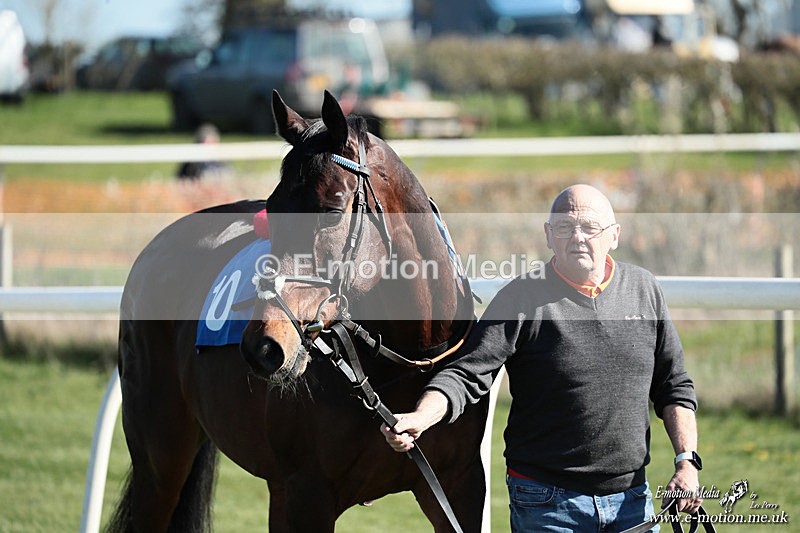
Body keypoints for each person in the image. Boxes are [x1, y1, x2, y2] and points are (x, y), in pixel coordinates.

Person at [382, 184, 703, 532]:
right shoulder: (520, 298)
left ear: (614, 236)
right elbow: (467, 373)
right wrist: (420, 417)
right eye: (564, 228)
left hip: (632, 500)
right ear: (549, 236)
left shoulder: (645, 290)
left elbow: (674, 386)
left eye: (589, 228)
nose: (577, 237)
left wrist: (687, 462)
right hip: (547, 503)